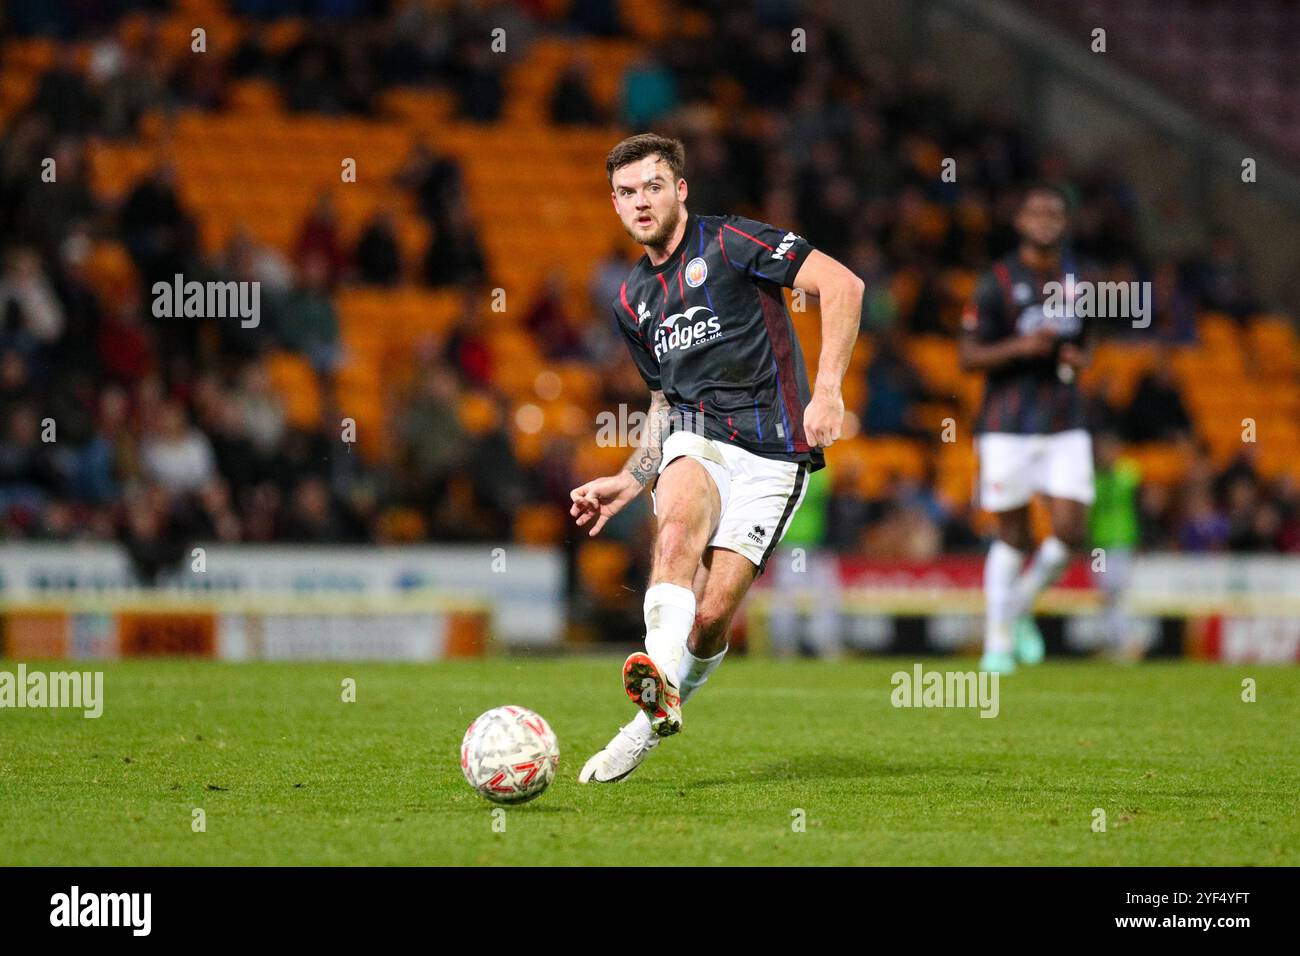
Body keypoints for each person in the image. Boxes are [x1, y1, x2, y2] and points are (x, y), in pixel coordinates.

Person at [569, 134, 863, 783]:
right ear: (614, 204)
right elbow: (663, 401)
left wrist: (831, 389)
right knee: (675, 529)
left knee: (709, 619)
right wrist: (628, 478)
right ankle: (654, 677)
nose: (640, 201)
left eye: (652, 186)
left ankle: (651, 719)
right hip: (697, 436)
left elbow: (843, 286)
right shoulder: (631, 300)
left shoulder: (732, 242)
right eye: (625, 191)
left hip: (775, 452)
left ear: (679, 190)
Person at [959, 183, 1094, 674]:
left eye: (1055, 212)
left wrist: (1079, 359)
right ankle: (998, 642)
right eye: (1036, 212)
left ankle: (1015, 610)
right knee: (1013, 536)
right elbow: (967, 356)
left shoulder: (1078, 278)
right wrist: (1019, 349)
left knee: (1070, 531)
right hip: (1006, 424)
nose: (1046, 219)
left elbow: (1086, 343)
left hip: (1064, 419)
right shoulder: (995, 280)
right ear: (1019, 221)